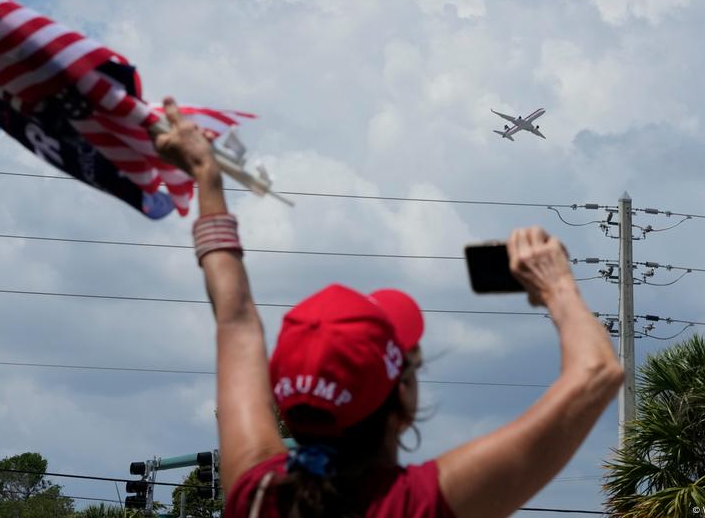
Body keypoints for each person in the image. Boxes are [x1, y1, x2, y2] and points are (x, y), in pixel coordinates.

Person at [153, 97, 625, 518]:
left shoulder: (257, 496)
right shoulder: (417, 503)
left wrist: (205, 179)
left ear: (284, 401)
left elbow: (235, 322)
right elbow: (599, 373)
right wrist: (556, 284)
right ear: (403, 401)